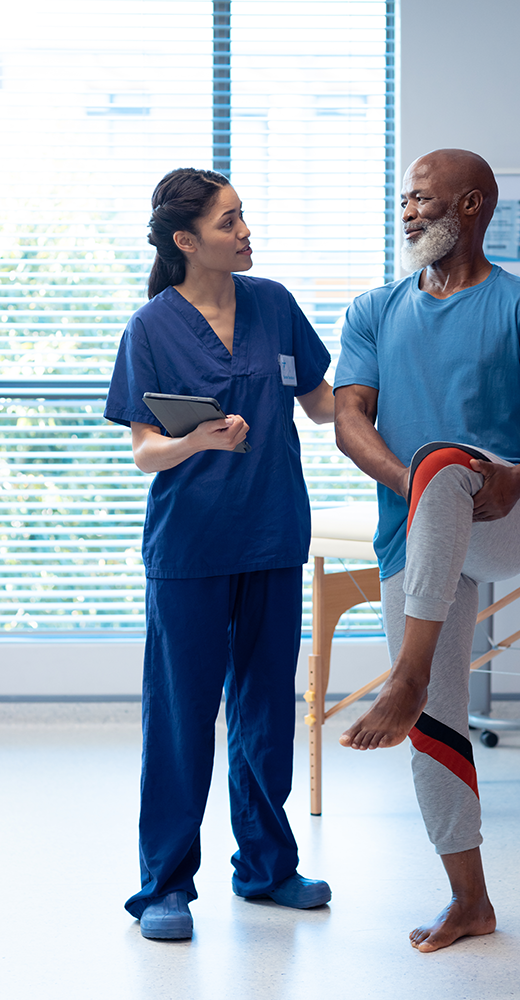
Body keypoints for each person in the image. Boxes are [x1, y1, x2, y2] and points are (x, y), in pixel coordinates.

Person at [333, 149, 520, 953]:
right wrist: (421, 489)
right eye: (403, 200)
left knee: (451, 466)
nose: (408, 212)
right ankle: (469, 902)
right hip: (416, 523)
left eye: (423, 199)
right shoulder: (374, 309)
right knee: (437, 727)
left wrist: (514, 481)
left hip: (507, 513)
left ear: (471, 205)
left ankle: (402, 678)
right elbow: (348, 422)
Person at [104, 167, 334, 940]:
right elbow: (142, 451)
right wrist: (193, 439)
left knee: (267, 712)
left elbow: (323, 403)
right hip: (190, 549)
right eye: (229, 221)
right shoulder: (151, 328)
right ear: (185, 240)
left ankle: (267, 869)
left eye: (243, 217)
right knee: (182, 718)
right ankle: (164, 887)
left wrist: (395, 382)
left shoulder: (272, 304)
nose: (245, 232)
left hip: (272, 537)